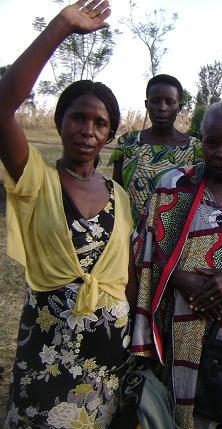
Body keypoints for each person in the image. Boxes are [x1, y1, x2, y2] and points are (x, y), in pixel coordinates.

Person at [0, 1, 134, 427]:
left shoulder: (119, 196)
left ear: (109, 134)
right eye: (78, 118)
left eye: (100, 123)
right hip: (46, 357)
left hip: (107, 362)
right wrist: (61, 26)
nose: (88, 130)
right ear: (60, 122)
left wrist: (134, 348)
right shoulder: (36, 179)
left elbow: (127, 277)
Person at [130, 101, 222, 429]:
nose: (221, 153)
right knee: (173, 408)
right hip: (177, 324)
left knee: (221, 406)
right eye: (212, 143)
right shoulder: (172, 187)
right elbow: (143, 249)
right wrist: (177, 277)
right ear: (201, 140)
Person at [110, 74, 201, 225]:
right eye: (155, 101)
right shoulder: (127, 143)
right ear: (147, 104)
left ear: (179, 107)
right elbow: (115, 192)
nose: (162, 108)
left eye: (169, 102)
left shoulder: (194, 148)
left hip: (172, 235)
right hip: (129, 232)